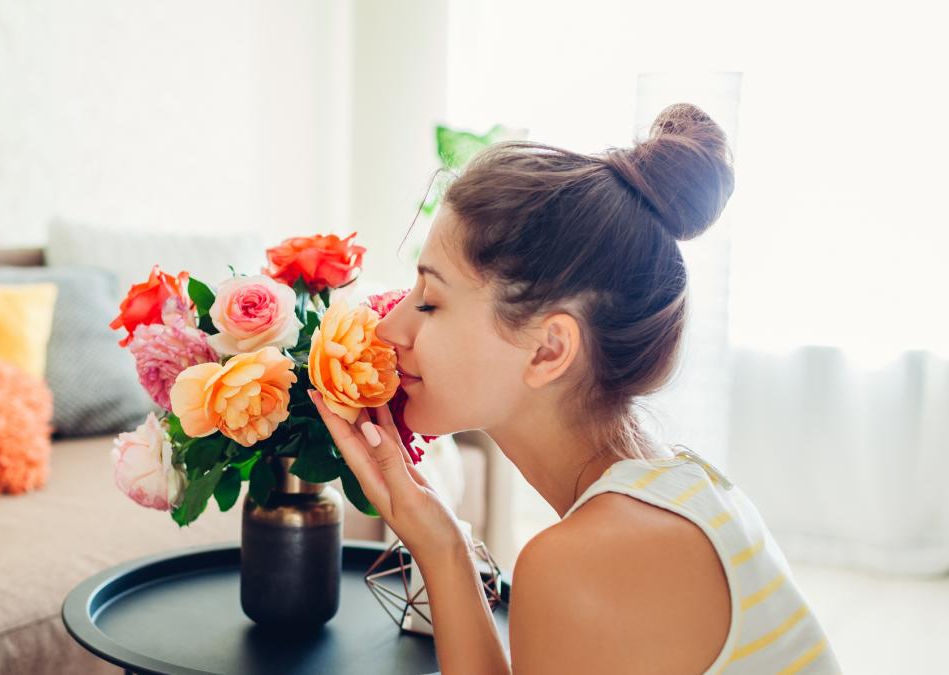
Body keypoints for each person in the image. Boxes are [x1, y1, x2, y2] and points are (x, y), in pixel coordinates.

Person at [307, 102, 841, 674]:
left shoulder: (587, 564)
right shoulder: (685, 488)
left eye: (431, 302)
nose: (391, 327)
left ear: (549, 349)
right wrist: (441, 545)